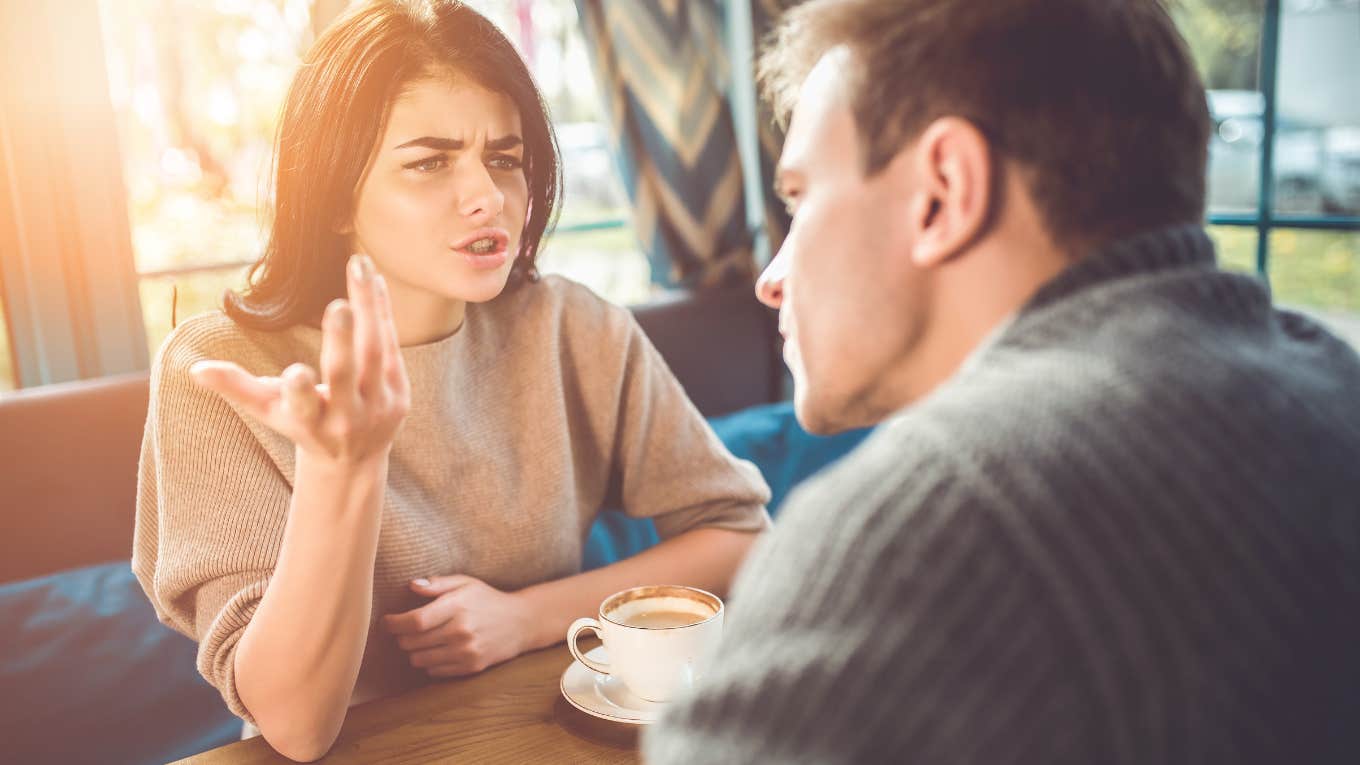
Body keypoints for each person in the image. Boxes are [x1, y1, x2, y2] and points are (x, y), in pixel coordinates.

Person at [645, 1, 1360, 762]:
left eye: (801, 197)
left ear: (943, 192)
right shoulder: (1329, 385)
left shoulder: (934, 525)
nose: (770, 278)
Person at [130, 1, 771, 760]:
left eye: (505, 157)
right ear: (336, 193)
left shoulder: (573, 328)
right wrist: (346, 465)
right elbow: (297, 724)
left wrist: (524, 618)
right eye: (430, 162)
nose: (487, 196)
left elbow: (738, 535)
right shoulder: (221, 371)